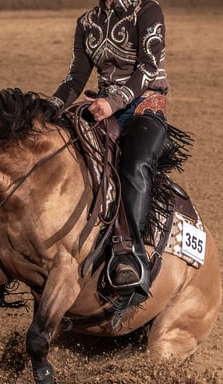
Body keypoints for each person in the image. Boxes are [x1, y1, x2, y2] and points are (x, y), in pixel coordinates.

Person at [48, 0, 170, 299]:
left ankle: (130, 255)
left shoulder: (147, 11)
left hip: (144, 108)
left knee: (135, 166)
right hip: (104, 110)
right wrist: (46, 108)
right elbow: (75, 77)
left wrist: (112, 103)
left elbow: (148, 68)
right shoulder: (87, 22)